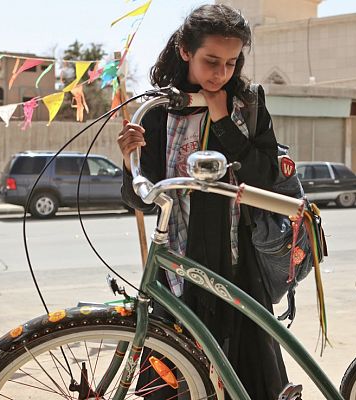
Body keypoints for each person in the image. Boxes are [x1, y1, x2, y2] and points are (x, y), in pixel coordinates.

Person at [118, 4, 288, 398]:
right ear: (184, 51)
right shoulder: (159, 109)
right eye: (211, 61)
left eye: (231, 63)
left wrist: (224, 121)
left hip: (239, 263)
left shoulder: (248, 104)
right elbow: (143, 201)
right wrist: (128, 162)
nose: (221, 73)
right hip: (178, 264)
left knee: (248, 375)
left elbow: (265, 176)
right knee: (173, 372)